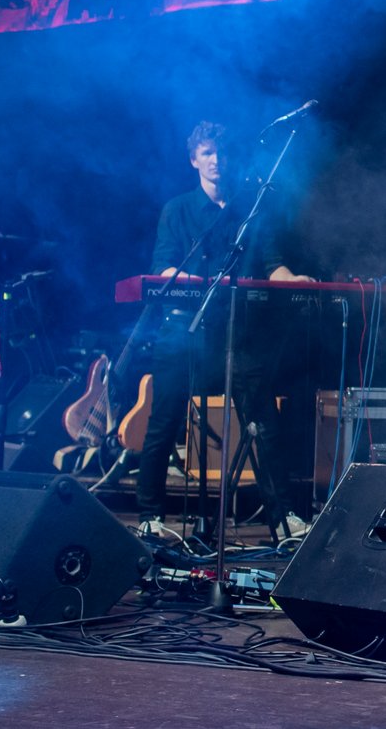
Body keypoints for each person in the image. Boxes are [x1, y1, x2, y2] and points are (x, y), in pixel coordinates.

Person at [134, 121, 313, 542]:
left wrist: (293, 280)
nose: (217, 161)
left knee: (262, 420)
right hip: (185, 328)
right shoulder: (177, 209)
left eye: (222, 153)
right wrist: (183, 281)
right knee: (164, 420)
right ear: (193, 159)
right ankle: (150, 516)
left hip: (236, 332)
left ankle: (284, 518)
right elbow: (163, 265)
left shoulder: (249, 211)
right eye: (208, 153)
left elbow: (271, 264)